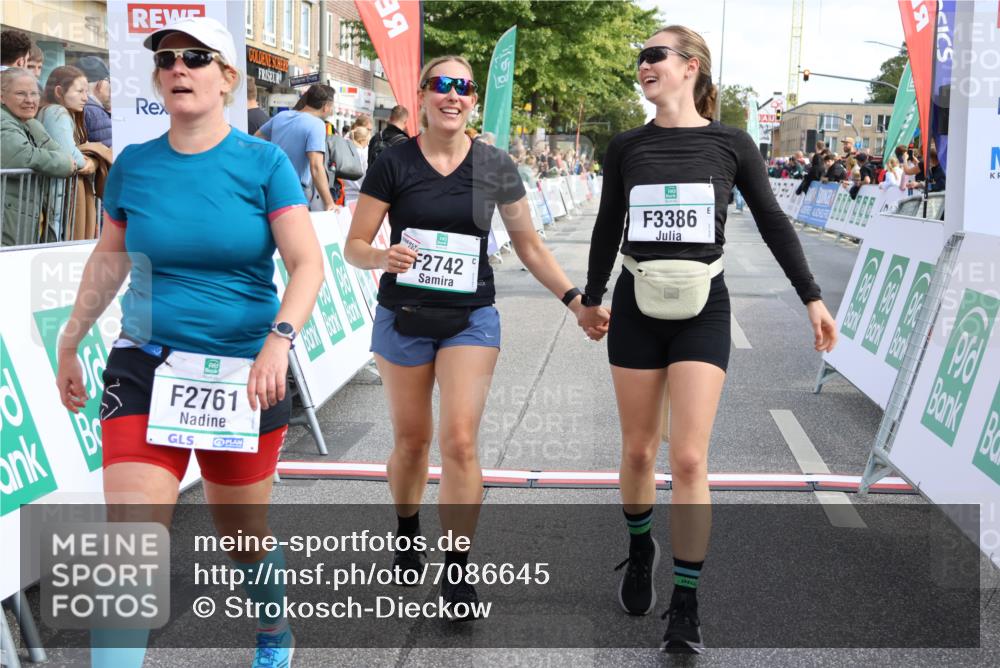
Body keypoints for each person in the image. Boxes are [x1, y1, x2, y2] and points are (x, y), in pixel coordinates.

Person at [53, 16, 324, 668]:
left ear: (227, 78)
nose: (179, 67)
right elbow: (109, 261)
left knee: (241, 536)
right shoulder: (135, 166)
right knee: (130, 543)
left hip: (244, 372)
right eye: (167, 58)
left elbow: (307, 264)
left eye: (196, 58)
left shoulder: (262, 164)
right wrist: (71, 340)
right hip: (145, 366)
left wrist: (279, 341)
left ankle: (273, 630)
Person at [580, 25, 836, 653]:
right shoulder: (626, 146)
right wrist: (591, 299)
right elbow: (609, 223)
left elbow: (773, 220)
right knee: (640, 452)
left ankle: (686, 604)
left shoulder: (732, 143)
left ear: (690, 67)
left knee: (689, 458)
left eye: (654, 55)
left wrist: (812, 298)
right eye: (640, 58)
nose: (643, 65)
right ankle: (641, 551)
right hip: (638, 304)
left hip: (704, 308)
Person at [345, 54, 597, 619]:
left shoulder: (496, 165)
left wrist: (575, 301)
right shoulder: (393, 162)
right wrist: (381, 256)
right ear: (424, 95)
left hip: (471, 319)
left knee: (459, 441)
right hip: (403, 314)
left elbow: (528, 245)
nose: (452, 96)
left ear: (474, 101)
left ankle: (457, 570)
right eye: (441, 85)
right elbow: (354, 245)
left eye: (463, 87)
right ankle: (407, 525)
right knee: (412, 441)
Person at [1, 67, 77, 246]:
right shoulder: (3, 120)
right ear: (1, 96)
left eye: (34, 94)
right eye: (20, 94)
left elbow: (60, 153)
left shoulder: (27, 122)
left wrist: (35, 128)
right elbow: (22, 156)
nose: (29, 100)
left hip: (19, 220)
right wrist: (65, 164)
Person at [37, 65, 100, 241]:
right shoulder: (56, 112)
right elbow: (70, 155)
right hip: (56, 196)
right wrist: (91, 162)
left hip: (56, 194)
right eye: (80, 91)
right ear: (59, 91)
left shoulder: (53, 111)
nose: (85, 98)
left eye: (86, 91)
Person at [256, 83, 337, 211]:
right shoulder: (317, 125)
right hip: (295, 190)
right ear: (326, 106)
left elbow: (256, 140)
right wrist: (329, 203)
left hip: (271, 185)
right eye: (332, 106)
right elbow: (316, 166)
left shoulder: (281, 116)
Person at [76, 56, 112, 149]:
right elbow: (110, 154)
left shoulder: (77, 106)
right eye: (108, 81)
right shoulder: (95, 113)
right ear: (100, 84)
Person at [342, 125, 370, 204]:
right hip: (360, 197)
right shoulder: (364, 154)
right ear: (362, 140)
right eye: (367, 141)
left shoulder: (345, 152)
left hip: (346, 196)